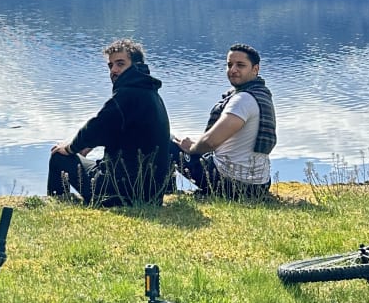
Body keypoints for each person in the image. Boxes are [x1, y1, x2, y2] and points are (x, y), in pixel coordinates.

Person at [47, 38, 173, 207]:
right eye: (110, 65)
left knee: (58, 156)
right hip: (151, 194)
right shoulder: (151, 94)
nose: (114, 70)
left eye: (120, 64)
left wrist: (70, 148)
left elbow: (94, 128)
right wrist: (88, 145)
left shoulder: (126, 95)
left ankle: (57, 203)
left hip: (116, 192)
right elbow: (113, 129)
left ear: (135, 65)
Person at [172, 44, 277, 201]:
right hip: (259, 186)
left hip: (231, 184)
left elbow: (211, 141)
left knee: (166, 140)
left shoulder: (243, 100)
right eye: (229, 65)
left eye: (240, 65)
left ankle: (163, 190)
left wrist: (192, 148)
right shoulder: (261, 95)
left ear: (255, 69)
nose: (233, 70)